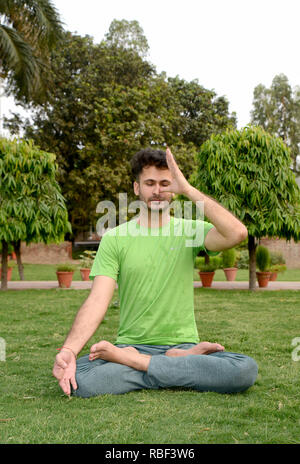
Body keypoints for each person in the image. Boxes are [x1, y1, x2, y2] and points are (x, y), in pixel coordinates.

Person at [52, 147, 258, 398]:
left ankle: (141, 363)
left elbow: (237, 233)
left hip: (180, 346)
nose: (158, 191)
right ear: (137, 188)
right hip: (133, 346)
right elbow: (97, 300)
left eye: (165, 183)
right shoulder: (115, 239)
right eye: (150, 183)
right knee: (80, 379)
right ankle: (173, 365)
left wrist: (189, 190)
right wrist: (69, 351)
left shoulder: (190, 231)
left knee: (244, 370)